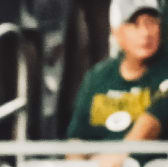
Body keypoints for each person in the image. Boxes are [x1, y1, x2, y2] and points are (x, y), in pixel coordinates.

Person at [68, 0, 168, 148]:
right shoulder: (97, 77)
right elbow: (77, 139)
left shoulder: (164, 73)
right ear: (117, 31)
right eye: (135, 24)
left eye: (151, 22)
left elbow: (152, 122)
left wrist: (118, 156)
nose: (146, 33)